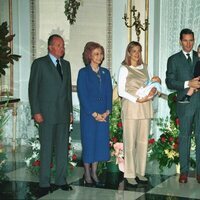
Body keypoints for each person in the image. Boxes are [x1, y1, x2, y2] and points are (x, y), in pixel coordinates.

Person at [28, 34, 73, 196]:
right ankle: (44, 183)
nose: (62, 48)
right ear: (50, 47)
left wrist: (70, 112)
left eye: (63, 46)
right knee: (46, 149)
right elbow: (33, 89)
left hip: (62, 115)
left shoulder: (66, 65)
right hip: (45, 115)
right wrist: (36, 112)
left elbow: (67, 91)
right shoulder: (39, 64)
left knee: (62, 149)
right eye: (59, 45)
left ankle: (61, 180)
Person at [166, 28, 200, 184]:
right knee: (184, 137)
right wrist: (188, 83)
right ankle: (184, 172)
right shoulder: (173, 59)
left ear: (194, 40)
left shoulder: (199, 56)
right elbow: (170, 82)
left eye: (191, 40)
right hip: (185, 104)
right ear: (180, 41)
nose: (188, 44)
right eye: (185, 40)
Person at [77, 42, 112, 186]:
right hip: (89, 116)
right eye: (97, 54)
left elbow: (109, 93)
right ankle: (87, 173)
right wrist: (94, 114)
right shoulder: (83, 72)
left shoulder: (105, 72)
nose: (100, 56)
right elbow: (82, 95)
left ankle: (94, 173)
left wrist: (107, 111)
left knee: (99, 144)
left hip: (103, 115)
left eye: (101, 53)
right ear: (89, 55)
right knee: (89, 143)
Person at [118, 41, 153, 186]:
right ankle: (130, 173)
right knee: (130, 141)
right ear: (128, 53)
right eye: (134, 51)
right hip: (131, 107)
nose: (137, 54)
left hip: (145, 107)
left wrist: (153, 91)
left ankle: (140, 171)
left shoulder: (145, 67)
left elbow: (150, 85)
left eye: (139, 51)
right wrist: (136, 99)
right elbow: (121, 91)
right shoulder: (124, 68)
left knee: (143, 141)